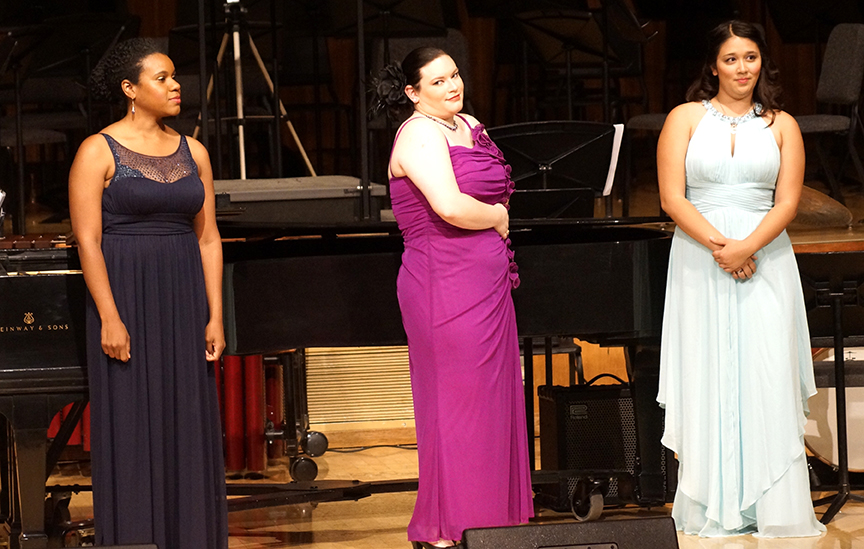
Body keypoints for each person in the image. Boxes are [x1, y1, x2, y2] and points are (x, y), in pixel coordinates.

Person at [656, 20, 826, 537]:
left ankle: (773, 507)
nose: (742, 68)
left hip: (766, 254)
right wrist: (721, 247)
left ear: (761, 63)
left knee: (765, 371)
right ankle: (714, 504)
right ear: (713, 66)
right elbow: (671, 197)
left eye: (750, 57)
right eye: (731, 59)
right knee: (708, 368)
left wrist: (748, 246)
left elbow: (789, 201)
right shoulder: (684, 118)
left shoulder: (782, 124)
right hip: (699, 255)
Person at [68, 38, 228, 548]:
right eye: (162, 77)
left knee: (188, 424)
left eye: (174, 75)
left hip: (184, 300)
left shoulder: (193, 150)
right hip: (128, 299)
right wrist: (110, 318)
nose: (176, 85)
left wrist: (216, 315)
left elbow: (208, 237)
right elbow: (87, 241)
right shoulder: (97, 150)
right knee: (134, 427)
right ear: (130, 89)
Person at [371, 47, 534, 548]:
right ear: (413, 93)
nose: (452, 86)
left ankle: (492, 526)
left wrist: (495, 213)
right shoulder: (418, 133)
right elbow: (448, 206)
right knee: (457, 407)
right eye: (438, 81)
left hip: (487, 282)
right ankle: (449, 528)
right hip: (443, 283)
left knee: (490, 404)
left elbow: (494, 185)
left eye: (455, 75)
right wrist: (499, 219)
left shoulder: (468, 124)